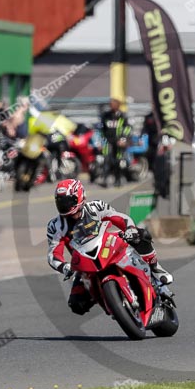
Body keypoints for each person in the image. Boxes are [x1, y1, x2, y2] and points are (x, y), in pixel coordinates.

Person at [46, 178, 173, 315]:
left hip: (108, 245)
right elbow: (53, 254)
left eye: (68, 201)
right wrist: (65, 267)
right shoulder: (55, 226)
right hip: (85, 264)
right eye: (60, 202)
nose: (64, 206)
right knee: (77, 304)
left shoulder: (95, 207)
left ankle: (156, 269)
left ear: (80, 196)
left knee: (141, 235)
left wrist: (130, 229)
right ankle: (109, 300)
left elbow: (118, 217)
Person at [98, 98, 132, 187]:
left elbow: (127, 129)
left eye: (113, 104)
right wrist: (101, 142)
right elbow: (102, 129)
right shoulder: (106, 115)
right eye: (110, 104)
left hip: (118, 142)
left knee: (118, 161)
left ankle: (118, 179)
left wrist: (123, 140)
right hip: (108, 141)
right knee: (107, 159)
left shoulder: (122, 116)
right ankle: (105, 179)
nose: (111, 106)